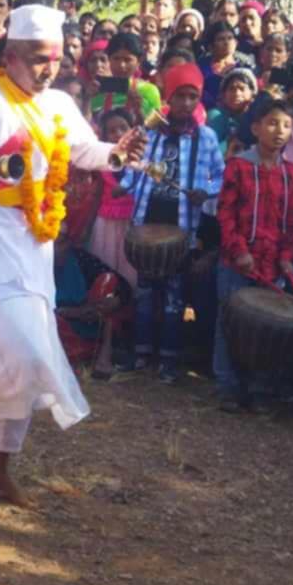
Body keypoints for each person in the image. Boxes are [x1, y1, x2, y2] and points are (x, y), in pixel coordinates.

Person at [0, 4, 145, 505]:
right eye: (39, 59)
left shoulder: (60, 104)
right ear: (11, 55)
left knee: (19, 356)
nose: (49, 69)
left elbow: (84, 151)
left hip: (36, 242)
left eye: (56, 60)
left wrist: (117, 153)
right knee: (22, 350)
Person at [114, 61, 222, 381]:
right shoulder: (150, 133)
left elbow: (220, 176)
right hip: (148, 217)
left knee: (175, 295)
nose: (186, 103)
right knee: (145, 290)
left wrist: (206, 192)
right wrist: (124, 186)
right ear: (168, 98)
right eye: (180, 96)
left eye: (193, 96)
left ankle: (170, 358)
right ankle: (142, 350)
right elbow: (135, 169)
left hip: (182, 224)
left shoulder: (207, 138)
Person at [213, 96, 293, 410]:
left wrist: (287, 255)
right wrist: (238, 250)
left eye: (287, 125)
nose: (279, 131)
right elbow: (225, 214)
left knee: (266, 328)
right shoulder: (238, 166)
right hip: (237, 262)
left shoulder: (292, 173)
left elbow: (292, 220)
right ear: (256, 127)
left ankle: (260, 387)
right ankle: (228, 385)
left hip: (272, 265)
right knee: (230, 322)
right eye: (272, 123)